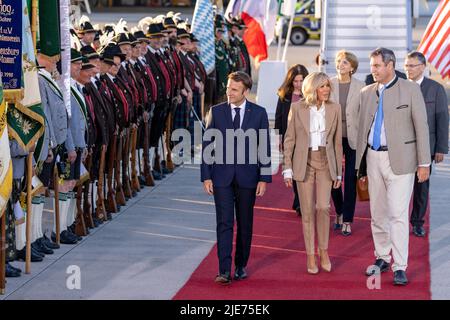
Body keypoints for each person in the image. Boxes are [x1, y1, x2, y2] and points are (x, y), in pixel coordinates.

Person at [356, 48, 431, 286]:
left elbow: (421, 126)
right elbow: (361, 129)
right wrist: (360, 166)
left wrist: (424, 162)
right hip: (373, 159)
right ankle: (382, 257)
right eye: (372, 65)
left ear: (390, 65)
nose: (373, 70)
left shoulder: (410, 89)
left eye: (377, 65)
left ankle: (400, 266)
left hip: (402, 160)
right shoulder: (366, 92)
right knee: (378, 214)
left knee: (397, 214)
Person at [201, 71, 271, 284]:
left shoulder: (259, 113)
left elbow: (264, 147)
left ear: (246, 91)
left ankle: (240, 265)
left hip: (248, 178)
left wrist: (263, 178)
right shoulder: (216, 111)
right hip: (221, 177)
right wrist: (206, 176)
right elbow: (208, 147)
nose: (229, 93)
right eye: (228, 88)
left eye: (234, 89)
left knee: (245, 223)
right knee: (224, 223)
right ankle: (223, 270)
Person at [283, 72, 343, 274]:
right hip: (304, 162)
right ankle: (310, 255)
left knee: (323, 207)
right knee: (307, 211)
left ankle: (323, 251)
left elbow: (337, 143)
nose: (326, 90)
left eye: (328, 86)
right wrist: (287, 169)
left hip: (326, 162)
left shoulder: (335, 108)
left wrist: (338, 173)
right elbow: (289, 140)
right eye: (322, 86)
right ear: (312, 88)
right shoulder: (297, 108)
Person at [404, 51, 449, 237]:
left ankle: (417, 222)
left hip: (427, 147)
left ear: (422, 67)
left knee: (422, 187)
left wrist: (440, 148)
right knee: (402, 186)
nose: (408, 69)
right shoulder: (400, 87)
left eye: (412, 66)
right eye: (406, 66)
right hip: (403, 147)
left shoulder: (435, 89)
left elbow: (442, 119)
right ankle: (398, 222)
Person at [329, 50, 365, 235]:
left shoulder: (361, 86)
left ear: (352, 67)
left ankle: (348, 219)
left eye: (344, 62)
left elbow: (365, 113)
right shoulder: (329, 83)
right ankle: (340, 211)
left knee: (350, 178)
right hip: (333, 138)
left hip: (353, 138)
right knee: (333, 177)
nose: (340, 65)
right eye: (338, 61)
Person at [275, 64, 309, 216]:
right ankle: (299, 201)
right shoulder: (285, 96)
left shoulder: (310, 95)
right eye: (295, 81)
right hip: (290, 139)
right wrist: (278, 138)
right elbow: (278, 118)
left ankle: (303, 200)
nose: (299, 84)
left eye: (301, 81)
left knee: (306, 171)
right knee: (295, 171)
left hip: (307, 139)